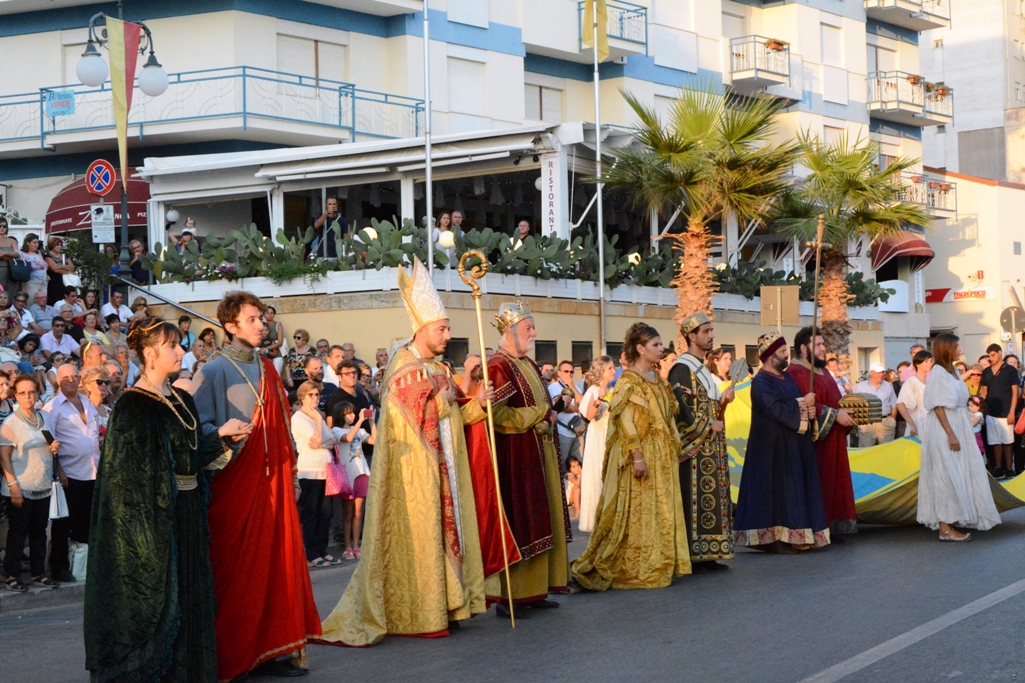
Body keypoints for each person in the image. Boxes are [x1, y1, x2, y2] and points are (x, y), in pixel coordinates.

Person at [317, 257, 487, 645]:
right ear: (423, 327)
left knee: (450, 534)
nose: (447, 335)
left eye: (447, 328)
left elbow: (453, 416)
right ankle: (422, 609)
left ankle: (451, 603)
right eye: (442, 328)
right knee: (425, 538)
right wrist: (443, 402)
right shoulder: (402, 368)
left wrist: (479, 403)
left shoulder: (440, 368)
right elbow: (413, 418)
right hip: (418, 474)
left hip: (447, 469)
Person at [85, 316, 252, 682]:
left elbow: (190, 458)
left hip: (189, 516)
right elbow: (128, 482)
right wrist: (153, 526)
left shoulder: (181, 398)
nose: (181, 351)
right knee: (162, 607)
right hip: (157, 525)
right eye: (172, 346)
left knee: (192, 602)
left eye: (179, 344)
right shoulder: (134, 407)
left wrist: (222, 436)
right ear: (149, 353)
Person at [192, 292, 321, 679]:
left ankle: (272, 651)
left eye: (262, 319)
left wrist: (293, 475)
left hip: (275, 485)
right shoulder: (212, 371)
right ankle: (237, 654)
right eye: (252, 319)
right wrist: (224, 434)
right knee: (237, 576)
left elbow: (282, 426)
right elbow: (198, 431)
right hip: (234, 485)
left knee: (274, 567)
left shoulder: (267, 367)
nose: (261, 325)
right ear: (230, 327)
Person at [572, 322, 690, 590]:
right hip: (643, 454)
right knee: (638, 511)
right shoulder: (628, 381)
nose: (661, 350)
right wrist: (637, 455)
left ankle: (660, 560)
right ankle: (635, 564)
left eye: (661, 345)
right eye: (655, 345)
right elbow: (626, 421)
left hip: (662, 455)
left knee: (659, 508)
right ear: (640, 348)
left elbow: (668, 414)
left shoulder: (657, 378)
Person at [483, 301, 570, 615]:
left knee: (541, 518)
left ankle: (536, 590)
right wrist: (539, 415)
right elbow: (496, 414)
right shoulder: (498, 365)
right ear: (509, 333)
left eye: (533, 328)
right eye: (527, 329)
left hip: (540, 451)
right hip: (517, 457)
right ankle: (513, 595)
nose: (534, 334)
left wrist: (548, 414)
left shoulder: (528, 364)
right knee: (523, 522)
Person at [733, 332, 830, 553]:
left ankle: (796, 535)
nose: (787, 355)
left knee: (792, 492)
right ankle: (776, 538)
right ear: (769, 355)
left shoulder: (786, 378)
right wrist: (802, 403)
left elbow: (794, 406)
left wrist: (809, 409)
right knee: (776, 495)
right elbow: (775, 410)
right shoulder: (761, 382)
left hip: (793, 447)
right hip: (770, 449)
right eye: (783, 352)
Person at [917, 333, 1001, 542]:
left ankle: (959, 517)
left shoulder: (952, 371)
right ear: (947, 348)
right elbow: (937, 405)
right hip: (946, 429)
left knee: (963, 472)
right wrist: (951, 434)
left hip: (959, 424)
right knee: (946, 475)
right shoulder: (938, 372)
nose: (959, 348)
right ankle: (945, 528)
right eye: (956, 346)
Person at [670, 314, 737, 568]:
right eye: (706, 331)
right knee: (695, 497)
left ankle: (710, 552)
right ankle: (695, 554)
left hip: (711, 446)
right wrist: (709, 424)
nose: (711, 335)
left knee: (712, 497)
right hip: (695, 448)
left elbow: (706, 405)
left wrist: (722, 403)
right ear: (692, 336)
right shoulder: (682, 368)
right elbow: (682, 410)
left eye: (712, 330)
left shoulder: (702, 369)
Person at [787, 326, 860, 538]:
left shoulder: (825, 372)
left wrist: (847, 410)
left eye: (822, 344)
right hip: (815, 443)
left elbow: (836, 400)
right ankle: (819, 528)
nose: (822, 348)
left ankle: (835, 526)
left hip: (834, 440)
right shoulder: (795, 373)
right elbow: (802, 405)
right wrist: (834, 414)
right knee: (820, 484)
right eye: (817, 344)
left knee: (836, 483)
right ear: (803, 348)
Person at [1, 374, 61, 591]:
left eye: (32, 392)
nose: (28, 396)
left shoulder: (42, 418)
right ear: (15, 395)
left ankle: (38, 573)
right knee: (17, 532)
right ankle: (12, 576)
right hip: (20, 487)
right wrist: (12, 485)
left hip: (42, 485)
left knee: (38, 531)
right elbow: (4, 457)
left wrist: (53, 448)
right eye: (23, 393)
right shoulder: (11, 423)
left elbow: (48, 444)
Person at [42, 363, 101, 582]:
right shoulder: (52, 407)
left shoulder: (87, 402)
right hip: (69, 475)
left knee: (84, 523)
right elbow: (48, 443)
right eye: (65, 377)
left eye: (74, 376)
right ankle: (59, 567)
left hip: (91, 472)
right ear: (58, 380)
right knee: (63, 525)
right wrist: (59, 471)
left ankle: (80, 567)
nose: (71, 380)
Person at [291, 380, 341, 568]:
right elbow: (320, 438)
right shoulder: (299, 418)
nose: (315, 398)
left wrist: (321, 442)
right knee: (312, 513)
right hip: (309, 471)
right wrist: (320, 426)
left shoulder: (316, 416)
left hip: (326, 469)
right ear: (302, 397)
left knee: (326, 513)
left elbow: (331, 440)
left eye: (317, 395)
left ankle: (323, 550)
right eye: (311, 395)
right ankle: (312, 553)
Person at [330, 400, 375, 561]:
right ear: (341, 415)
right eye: (349, 413)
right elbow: (347, 438)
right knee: (347, 513)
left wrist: (371, 421)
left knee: (358, 513)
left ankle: (357, 545)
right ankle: (347, 546)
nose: (353, 415)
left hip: (361, 472)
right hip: (347, 474)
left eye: (354, 412)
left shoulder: (360, 430)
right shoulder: (335, 430)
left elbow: (374, 440)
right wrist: (360, 422)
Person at [578, 355, 615, 533]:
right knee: (599, 475)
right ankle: (597, 520)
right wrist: (599, 398)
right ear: (601, 371)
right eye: (610, 368)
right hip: (598, 435)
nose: (614, 371)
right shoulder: (592, 390)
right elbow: (589, 415)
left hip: (611, 435)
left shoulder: (613, 389)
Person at [980, 343, 1018, 478]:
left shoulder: (1010, 370)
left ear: (1000, 353)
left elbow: (1015, 392)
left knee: (1008, 442)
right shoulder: (986, 371)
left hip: (1006, 411)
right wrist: (978, 402)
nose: (991, 358)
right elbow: (984, 391)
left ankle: (1009, 467)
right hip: (990, 412)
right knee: (994, 442)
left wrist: (1012, 411)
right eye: (989, 356)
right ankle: (998, 467)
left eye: (993, 355)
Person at [548, 359, 584, 469]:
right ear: (559, 372)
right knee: (563, 464)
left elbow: (584, 403)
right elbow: (563, 407)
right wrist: (578, 409)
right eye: (566, 371)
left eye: (571, 372)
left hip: (578, 431)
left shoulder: (576, 387)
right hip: (563, 431)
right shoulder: (553, 388)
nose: (569, 374)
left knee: (579, 464)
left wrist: (572, 387)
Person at [853, 362, 898, 446]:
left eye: (882, 372)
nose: (881, 374)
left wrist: (892, 420)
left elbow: (894, 404)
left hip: (885, 422)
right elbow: (854, 405)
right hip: (867, 423)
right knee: (866, 452)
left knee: (886, 451)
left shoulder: (888, 385)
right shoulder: (860, 387)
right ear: (871, 372)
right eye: (878, 372)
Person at [324, 359, 372, 428]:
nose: (352, 375)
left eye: (354, 372)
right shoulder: (334, 399)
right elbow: (331, 426)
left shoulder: (362, 397)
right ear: (340, 377)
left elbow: (368, 421)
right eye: (347, 374)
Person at [897, 350, 934, 437]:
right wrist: (912, 424)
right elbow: (900, 404)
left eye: (931, 361)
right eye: (926, 361)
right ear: (917, 363)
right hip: (919, 419)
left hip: (932, 419)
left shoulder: (930, 381)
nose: (930, 364)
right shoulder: (911, 381)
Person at [20, 233, 48, 299]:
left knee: (42, 303)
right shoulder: (23, 254)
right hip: (31, 283)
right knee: (31, 302)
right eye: (34, 242)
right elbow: (22, 271)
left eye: (37, 242)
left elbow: (44, 267)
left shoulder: (39, 254)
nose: (37, 244)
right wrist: (23, 287)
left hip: (43, 283)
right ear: (27, 243)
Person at [261, 306, 285, 373]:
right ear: (264, 314)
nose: (269, 314)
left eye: (271, 313)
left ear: (274, 315)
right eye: (267, 313)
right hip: (265, 356)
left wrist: (266, 349)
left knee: (276, 373)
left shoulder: (278, 325)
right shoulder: (262, 325)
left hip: (277, 354)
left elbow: (280, 342)